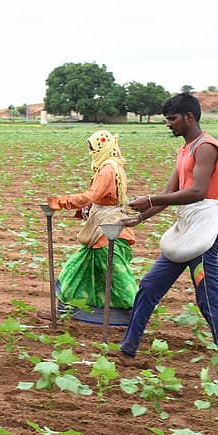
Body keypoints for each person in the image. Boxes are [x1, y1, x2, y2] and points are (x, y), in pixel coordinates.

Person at [117, 92, 218, 382]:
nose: (168, 124)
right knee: (148, 286)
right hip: (186, 228)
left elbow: (197, 191)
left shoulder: (206, 147)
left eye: (172, 119)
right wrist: (139, 217)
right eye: (166, 119)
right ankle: (128, 350)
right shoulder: (185, 150)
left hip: (203, 232)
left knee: (208, 300)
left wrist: (149, 198)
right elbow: (171, 195)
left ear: (189, 117)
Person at [42, 130, 137, 316]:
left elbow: (91, 196)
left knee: (118, 278)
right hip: (103, 227)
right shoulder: (114, 166)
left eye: (93, 148)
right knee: (76, 269)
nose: (92, 152)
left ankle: (138, 311)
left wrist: (61, 202)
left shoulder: (108, 170)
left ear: (102, 147)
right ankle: (68, 310)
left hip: (106, 229)